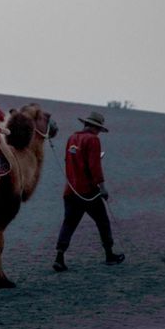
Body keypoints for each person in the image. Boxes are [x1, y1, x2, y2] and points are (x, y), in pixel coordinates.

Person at [53, 111, 125, 271]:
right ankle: (109, 254)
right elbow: (94, 166)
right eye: (98, 128)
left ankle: (59, 256)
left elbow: (68, 161)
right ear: (94, 127)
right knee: (103, 222)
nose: (99, 132)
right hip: (88, 192)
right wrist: (102, 187)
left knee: (69, 223)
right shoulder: (93, 140)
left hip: (71, 190)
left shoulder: (72, 138)